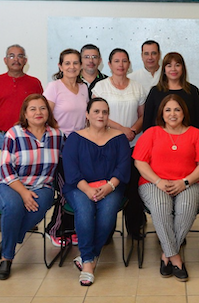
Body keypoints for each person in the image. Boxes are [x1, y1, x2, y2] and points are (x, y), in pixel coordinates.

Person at [133, 94, 199, 282]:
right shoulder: (151, 133)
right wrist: (158, 181)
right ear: (162, 113)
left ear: (184, 113)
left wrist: (185, 182)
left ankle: (166, 255)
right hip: (153, 183)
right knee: (161, 207)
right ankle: (175, 258)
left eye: (177, 109)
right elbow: (139, 162)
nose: (172, 114)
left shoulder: (196, 134)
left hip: (190, 183)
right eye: (168, 110)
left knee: (186, 207)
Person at [0, 94, 66, 280]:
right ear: (25, 113)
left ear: (48, 112)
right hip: (10, 184)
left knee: (38, 205)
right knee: (14, 206)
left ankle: (7, 241)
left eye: (42, 108)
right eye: (33, 109)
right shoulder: (14, 134)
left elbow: (67, 163)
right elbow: (6, 169)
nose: (38, 112)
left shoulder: (57, 135)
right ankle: (7, 257)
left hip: (42, 186)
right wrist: (24, 192)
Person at [62, 98, 131, 286]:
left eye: (104, 112)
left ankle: (88, 255)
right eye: (96, 111)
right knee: (85, 211)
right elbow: (71, 169)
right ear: (87, 114)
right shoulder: (75, 138)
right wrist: (88, 189)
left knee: (108, 213)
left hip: (111, 186)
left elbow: (123, 166)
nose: (101, 115)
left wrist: (110, 186)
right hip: (79, 186)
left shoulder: (119, 138)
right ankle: (87, 263)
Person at [0, 44, 44, 235]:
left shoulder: (34, 83)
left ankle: (27, 216)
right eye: (11, 56)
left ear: (25, 60)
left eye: (19, 56)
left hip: (26, 138)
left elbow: (40, 111)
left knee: (26, 177)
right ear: (5, 60)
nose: (16, 59)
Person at [92, 48, 147, 238]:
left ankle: (134, 228)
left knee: (133, 187)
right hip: (107, 145)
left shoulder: (137, 87)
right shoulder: (101, 87)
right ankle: (106, 231)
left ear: (129, 64)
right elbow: (97, 114)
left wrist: (132, 131)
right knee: (110, 187)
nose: (121, 65)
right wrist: (122, 130)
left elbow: (143, 115)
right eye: (116, 61)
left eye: (124, 61)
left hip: (133, 144)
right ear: (109, 64)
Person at [43, 48, 89, 246]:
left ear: (81, 66)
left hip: (80, 144)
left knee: (79, 186)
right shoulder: (54, 87)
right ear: (60, 66)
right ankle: (55, 229)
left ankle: (71, 229)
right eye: (67, 63)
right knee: (66, 187)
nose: (72, 67)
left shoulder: (84, 88)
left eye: (75, 63)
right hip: (60, 144)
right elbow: (45, 116)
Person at [142, 52, 199, 132]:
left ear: (183, 68)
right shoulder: (155, 91)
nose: (173, 69)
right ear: (164, 70)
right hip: (159, 138)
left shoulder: (192, 91)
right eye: (169, 66)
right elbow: (147, 122)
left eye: (177, 65)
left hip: (188, 138)